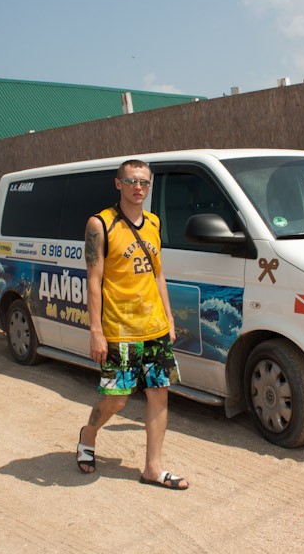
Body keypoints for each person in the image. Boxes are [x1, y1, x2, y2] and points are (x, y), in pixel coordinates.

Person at [76, 159, 188, 490]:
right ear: (118, 184)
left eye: (144, 182)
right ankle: (89, 433)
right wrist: (96, 332)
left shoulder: (154, 222)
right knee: (118, 399)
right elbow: (93, 281)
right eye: (131, 181)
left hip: (154, 328)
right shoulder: (100, 225)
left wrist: (168, 318)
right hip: (119, 330)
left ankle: (152, 468)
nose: (138, 188)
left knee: (159, 394)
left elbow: (158, 273)